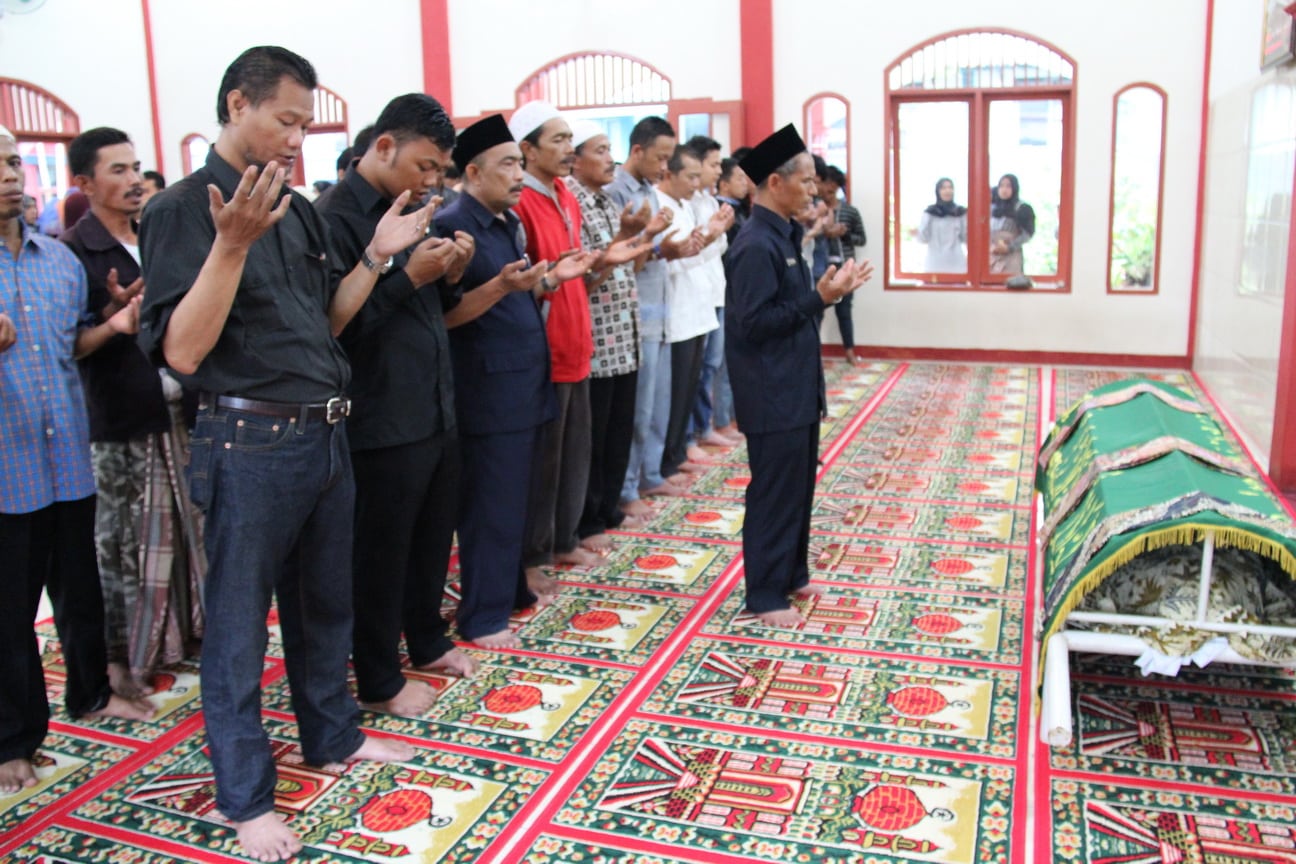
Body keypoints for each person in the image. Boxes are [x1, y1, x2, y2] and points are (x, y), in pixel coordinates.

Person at [136, 46, 430, 861]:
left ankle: (332, 735)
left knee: (323, 604)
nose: (298, 137)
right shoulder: (183, 212)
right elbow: (183, 354)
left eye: (307, 123)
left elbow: (326, 323)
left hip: (322, 430)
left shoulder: (298, 212)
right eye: (287, 119)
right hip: (247, 438)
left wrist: (376, 256)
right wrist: (229, 245)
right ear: (238, 104)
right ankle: (245, 795)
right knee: (237, 628)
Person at [1, 124, 155, 797]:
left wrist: (114, 325)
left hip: (66, 453)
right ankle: (13, 739)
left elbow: (74, 347)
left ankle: (90, 694)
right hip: (6, 470)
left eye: (11, 160)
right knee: (9, 614)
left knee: (80, 592)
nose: (9, 173)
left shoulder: (57, 261)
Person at [315, 93, 478, 719]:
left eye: (441, 170)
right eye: (425, 165)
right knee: (382, 554)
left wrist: (451, 271)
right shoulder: (335, 217)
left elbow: (430, 306)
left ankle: (427, 638)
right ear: (383, 146)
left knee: (432, 538)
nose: (433, 181)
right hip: (379, 414)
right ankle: (379, 676)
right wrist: (409, 275)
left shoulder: (409, 206)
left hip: (432, 403)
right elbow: (337, 327)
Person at [433, 114, 588, 649]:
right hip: (488, 391)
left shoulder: (505, 223)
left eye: (521, 165)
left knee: (517, 502)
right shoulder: (455, 225)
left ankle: (513, 591)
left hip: (523, 383)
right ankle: (482, 615)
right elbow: (448, 314)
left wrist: (549, 279)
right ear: (473, 171)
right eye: (508, 165)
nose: (519, 175)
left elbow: (512, 290)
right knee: (491, 508)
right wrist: (507, 287)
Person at [62, 127, 205, 698]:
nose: (133, 181)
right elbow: (69, 345)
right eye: (117, 170)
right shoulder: (74, 251)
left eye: (137, 168)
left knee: (190, 528)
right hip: (122, 417)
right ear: (84, 183)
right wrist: (115, 325)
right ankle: (125, 656)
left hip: (178, 407)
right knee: (124, 542)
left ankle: (185, 636)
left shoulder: (158, 234)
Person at [725, 124, 870, 628]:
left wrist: (822, 291)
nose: (815, 190)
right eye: (806, 181)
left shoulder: (784, 234)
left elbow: (791, 308)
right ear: (773, 182)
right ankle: (764, 594)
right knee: (773, 490)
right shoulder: (753, 245)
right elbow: (754, 323)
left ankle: (790, 572)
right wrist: (820, 299)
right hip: (770, 390)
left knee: (798, 486)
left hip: (795, 385)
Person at [509, 101, 601, 584]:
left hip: (577, 339)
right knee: (542, 464)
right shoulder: (521, 201)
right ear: (527, 150)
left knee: (574, 454)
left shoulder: (565, 192)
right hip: (545, 349)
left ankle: (564, 539)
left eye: (570, 140)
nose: (570, 150)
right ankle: (534, 556)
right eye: (559, 141)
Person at [566, 120, 662, 552]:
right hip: (597, 339)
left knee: (618, 430)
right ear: (576, 158)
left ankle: (608, 509)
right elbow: (583, 281)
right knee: (595, 437)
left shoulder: (606, 201)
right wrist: (622, 244)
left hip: (626, 332)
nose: (611, 159)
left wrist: (640, 241)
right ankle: (587, 521)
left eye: (610, 150)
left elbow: (627, 268)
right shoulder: (574, 204)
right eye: (601, 150)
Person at [606, 117, 699, 512]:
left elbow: (655, 248)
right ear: (637, 150)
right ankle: (626, 489)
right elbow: (622, 257)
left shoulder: (650, 192)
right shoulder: (617, 193)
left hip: (659, 308)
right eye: (659, 157)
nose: (664, 167)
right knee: (637, 410)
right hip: (633, 311)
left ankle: (648, 474)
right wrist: (656, 247)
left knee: (658, 402)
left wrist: (675, 246)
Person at [656, 145, 722, 482]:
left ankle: (677, 452)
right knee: (675, 393)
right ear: (670, 173)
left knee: (691, 386)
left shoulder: (685, 205)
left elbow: (701, 254)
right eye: (691, 176)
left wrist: (711, 235)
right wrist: (708, 238)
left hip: (698, 307)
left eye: (700, 176)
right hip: (676, 313)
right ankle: (667, 459)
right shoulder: (659, 205)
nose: (696, 183)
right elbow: (673, 261)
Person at [685, 135, 738, 451]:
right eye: (714, 164)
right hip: (693, 297)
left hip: (715, 292)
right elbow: (691, 250)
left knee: (711, 365)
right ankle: (692, 434)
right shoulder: (685, 203)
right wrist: (711, 234)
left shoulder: (709, 203)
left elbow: (719, 247)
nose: (719, 171)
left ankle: (705, 427)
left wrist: (714, 235)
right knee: (697, 371)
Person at [821, 165, 866, 363]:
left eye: (833, 187)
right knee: (815, 311)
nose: (829, 190)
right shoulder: (815, 208)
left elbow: (862, 239)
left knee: (844, 311)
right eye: (826, 186)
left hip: (845, 267)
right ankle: (814, 353)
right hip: (820, 266)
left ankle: (849, 352)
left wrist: (844, 233)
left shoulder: (850, 211)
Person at [916, 177, 967, 274]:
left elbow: (966, 238)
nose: (947, 191)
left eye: (950, 187)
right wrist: (917, 233)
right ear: (937, 191)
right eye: (943, 188)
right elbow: (923, 239)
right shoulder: (930, 212)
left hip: (957, 263)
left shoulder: (960, 212)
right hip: (934, 264)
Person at [990, 173, 1034, 277]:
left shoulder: (1022, 208)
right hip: (992, 257)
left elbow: (1027, 234)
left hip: (1011, 256)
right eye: (1001, 186)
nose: (1004, 190)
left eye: (1008, 186)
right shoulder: (992, 208)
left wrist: (1009, 247)